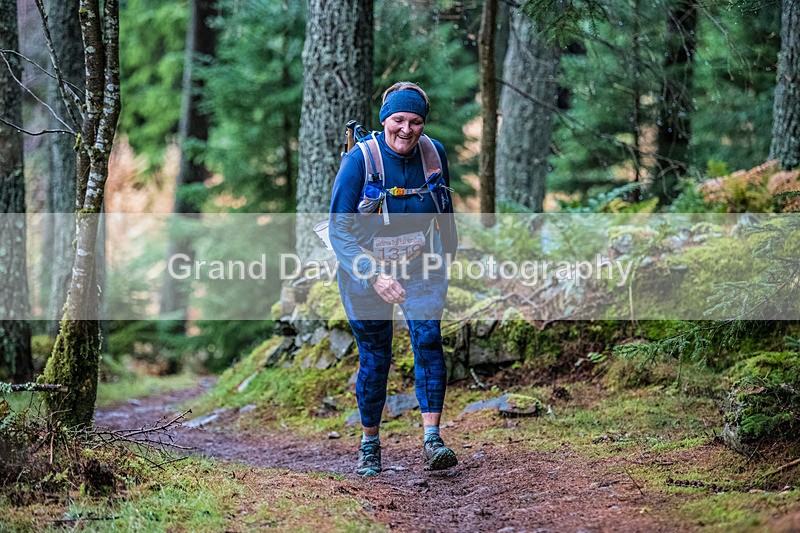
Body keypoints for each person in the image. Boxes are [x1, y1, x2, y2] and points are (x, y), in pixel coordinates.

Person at [328, 81, 458, 477]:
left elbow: (446, 216)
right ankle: (370, 446)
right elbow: (338, 230)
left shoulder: (434, 155)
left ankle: (433, 441)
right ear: (385, 119)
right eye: (398, 120)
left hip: (421, 264)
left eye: (415, 122)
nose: (406, 129)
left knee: (428, 338)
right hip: (364, 271)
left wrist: (446, 261)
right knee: (375, 357)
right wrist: (373, 275)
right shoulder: (360, 161)